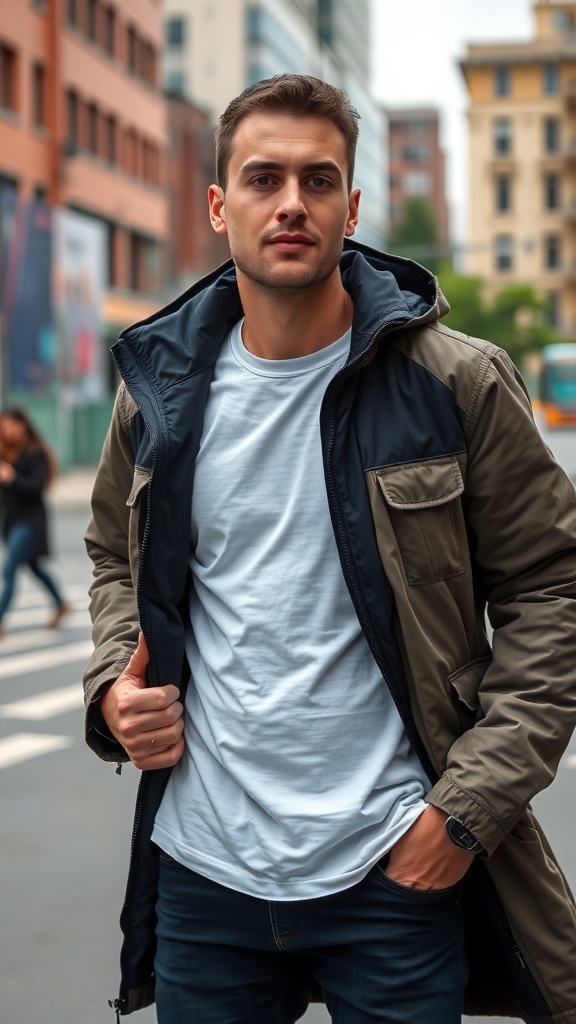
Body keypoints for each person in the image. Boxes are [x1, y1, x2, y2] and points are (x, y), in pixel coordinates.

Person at [83, 75, 576, 1024]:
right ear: (221, 207)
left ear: (352, 209)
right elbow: (113, 556)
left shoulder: (458, 384)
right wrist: (116, 684)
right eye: (264, 179)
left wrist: (464, 813)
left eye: (318, 181)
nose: (291, 205)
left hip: (395, 867)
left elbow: (554, 593)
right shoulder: (157, 394)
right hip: (205, 871)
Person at [0, 407, 70, 636]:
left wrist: (12, 478)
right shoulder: (5, 453)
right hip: (12, 522)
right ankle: (61, 603)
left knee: (9, 569)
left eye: (12, 426)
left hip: (30, 523)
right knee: (34, 566)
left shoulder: (35, 452)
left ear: (23, 425)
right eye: (4, 428)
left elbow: (36, 487)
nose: (8, 431)